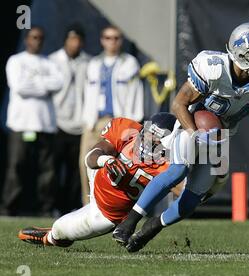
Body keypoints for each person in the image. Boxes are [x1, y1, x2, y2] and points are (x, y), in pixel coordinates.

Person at [113, 22, 249, 252]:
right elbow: (178, 103)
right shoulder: (213, 68)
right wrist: (194, 134)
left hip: (220, 138)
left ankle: (152, 228)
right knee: (178, 170)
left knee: (193, 199)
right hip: (192, 124)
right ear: (241, 54)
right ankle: (129, 222)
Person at [18, 113, 183, 247]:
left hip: (106, 214)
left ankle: (49, 237)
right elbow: (91, 157)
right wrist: (106, 160)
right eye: (147, 134)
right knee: (93, 161)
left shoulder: (169, 166)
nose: (147, 142)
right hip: (97, 175)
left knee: (58, 230)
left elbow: (187, 193)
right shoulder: (126, 130)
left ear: (167, 146)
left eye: (155, 140)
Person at [0, 26, 63, 216]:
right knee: (16, 167)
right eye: (34, 37)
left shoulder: (50, 62)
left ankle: (45, 208)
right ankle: (8, 207)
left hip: (45, 125)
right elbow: (19, 87)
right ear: (27, 39)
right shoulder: (16, 61)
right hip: (21, 125)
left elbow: (59, 83)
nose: (37, 41)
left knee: (47, 171)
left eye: (40, 38)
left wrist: (34, 84)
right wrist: (44, 85)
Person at [80, 25, 144, 206]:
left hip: (118, 123)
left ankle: (112, 206)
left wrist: (133, 122)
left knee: (118, 166)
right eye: (108, 38)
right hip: (94, 121)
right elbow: (87, 93)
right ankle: (88, 205)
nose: (112, 42)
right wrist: (87, 120)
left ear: (121, 40)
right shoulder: (93, 64)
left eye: (116, 38)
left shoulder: (129, 62)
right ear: (102, 40)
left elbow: (136, 92)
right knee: (86, 162)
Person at [49, 24, 91, 214]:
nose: (75, 44)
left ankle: (71, 205)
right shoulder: (52, 61)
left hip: (79, 124)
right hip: (57, 122)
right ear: (66, 40)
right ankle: (54, 205)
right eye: (72, 39)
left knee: (76, 169)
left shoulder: (88, 62)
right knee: (54, 169)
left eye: (78, 40)